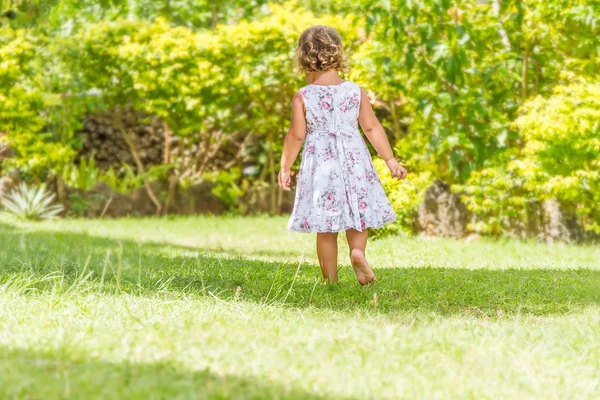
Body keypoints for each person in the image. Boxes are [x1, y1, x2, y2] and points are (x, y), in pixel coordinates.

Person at [279, 25, 407, 285]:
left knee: (326, 228)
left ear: (305, 58)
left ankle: (331, 281)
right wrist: (390, 160)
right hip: (355, 161)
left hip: (322, 165)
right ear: (338, 55)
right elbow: (371, 127)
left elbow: (296, 135)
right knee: (357, 216)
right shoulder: (354, 91)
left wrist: (285, 166)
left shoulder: (304, 96)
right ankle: (357, 252)